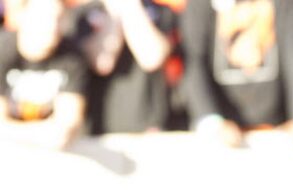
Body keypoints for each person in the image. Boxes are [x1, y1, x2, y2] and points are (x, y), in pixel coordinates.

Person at [179, 0, 293, 150]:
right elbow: (193, 61)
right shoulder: (200, 4)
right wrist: (212, 121)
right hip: (223, 124)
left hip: (279, 126)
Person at [71, 0, 177, 134]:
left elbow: (152, 58)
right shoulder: (83, 14)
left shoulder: (160, 11)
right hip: (99, 128)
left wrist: (130, 8)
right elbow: (102, 62)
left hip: (148, 126)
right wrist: (114, 16)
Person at [0, 0, 89, 150]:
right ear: (22, 17)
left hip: (52, 149)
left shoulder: (72, 55)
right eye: (42, 18)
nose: (51, 27)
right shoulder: (3, 51)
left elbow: (70, 118)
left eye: (57, 19)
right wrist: (38, 133)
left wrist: (58, 132)